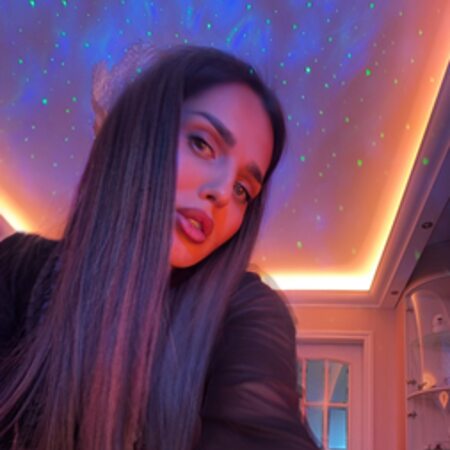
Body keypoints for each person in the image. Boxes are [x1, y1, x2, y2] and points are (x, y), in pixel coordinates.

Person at [0, 46, 319, 450]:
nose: (223, 192)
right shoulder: (19, 268)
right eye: (202, 144)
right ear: (138, 132)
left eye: (243, 189)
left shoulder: (243, 308)